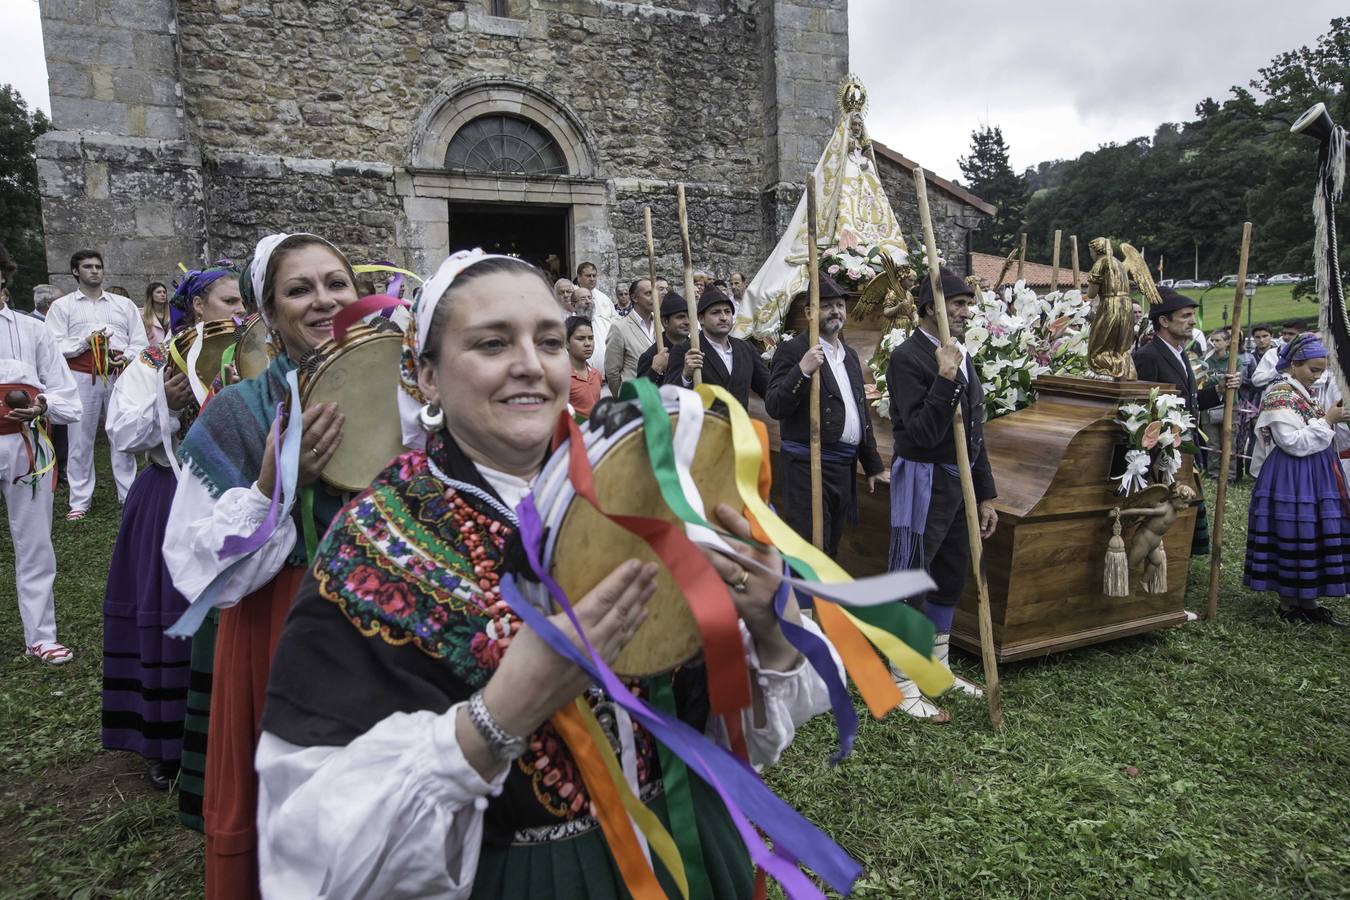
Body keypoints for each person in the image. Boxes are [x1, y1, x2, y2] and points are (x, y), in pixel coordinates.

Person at [255, 249, 834, 897]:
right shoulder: (377, 540)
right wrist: (501, 713)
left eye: (550, 340)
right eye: (492, 342)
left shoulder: (648, 483)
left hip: (692, 854)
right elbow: (308, 844)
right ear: (426, 376)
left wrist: (770, 624)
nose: (530, 363)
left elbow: (731, 725)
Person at [164, 233, 357, 898]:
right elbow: (193, 564)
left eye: (336, 283)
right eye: (299, 289)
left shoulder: (403, 398)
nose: (323, 300)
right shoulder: (237, 413)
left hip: (388, 634)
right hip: (284, 632)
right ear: (267, 314)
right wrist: (275, 487)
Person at [102, 264, 245, 794]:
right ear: (199, 306)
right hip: (169, 497)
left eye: (243, 301)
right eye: (228, 301)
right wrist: (169, 400)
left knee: (233, 615)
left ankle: (232, 731)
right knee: (173, 615)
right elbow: (122, 433)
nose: (238, 310)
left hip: (239, 498)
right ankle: (168, 743)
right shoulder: (156, 362)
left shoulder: (255, 352)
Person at [885, 266, 997, 718]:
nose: (965, 311)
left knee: (950, 573)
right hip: (924, 478)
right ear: (932, 307)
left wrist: (986, 494)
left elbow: (974, 432)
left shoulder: (963, 355)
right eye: (957, 303)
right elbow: (923, 432)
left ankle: (937, 668)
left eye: (968, 303)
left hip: (960, 481)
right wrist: (944, 377)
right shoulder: (908, 358)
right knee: (914, 574)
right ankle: (902, 677)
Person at [0, 244, 81, 664]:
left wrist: (43, 405)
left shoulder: (34, 331)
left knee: (33, 543)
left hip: (25, 443)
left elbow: (70, 400)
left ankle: (41, 635)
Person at [765, 273, 886, 556]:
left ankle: (824, 601)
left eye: (840, 305)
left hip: (843, 469)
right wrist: (803, 370)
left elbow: (860, 412)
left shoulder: (851, 356)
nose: (835, 311)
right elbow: (774, 405)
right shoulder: (793, 350)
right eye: (826, 305)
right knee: (809, 547)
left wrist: (872, 464)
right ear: (809, 311)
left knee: (831, 544)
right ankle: (804, 601)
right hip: (808, 466)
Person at [1244, 333, 1349, 626]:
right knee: (1295, 529)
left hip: (1314, 472)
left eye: (1321, 370)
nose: (1317, 376)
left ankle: (1309, 600)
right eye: (1313, 370)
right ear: (1293, 365)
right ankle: (1289, 603)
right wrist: (1327, 420)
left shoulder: (1303, 392)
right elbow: (1291, 441)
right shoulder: (1280, 393)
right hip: (1291, 474)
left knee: (1312, 530)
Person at [1132, 288, 1240, 554]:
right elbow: (1142, 409)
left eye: (1193, 316)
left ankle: (1178, 558)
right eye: (1186, 316)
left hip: (1184, 451)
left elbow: (1187, 404)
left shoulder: (1180, 353)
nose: (1193, 321)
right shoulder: (1147, 355)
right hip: (1160, 456)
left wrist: (1217, 391)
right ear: (1164, 321)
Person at [45, 249, 148, 520]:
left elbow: (140, 343)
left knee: (122, 434)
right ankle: (79, 501)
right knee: (80, 438)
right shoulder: (63, 306)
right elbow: (53, 345)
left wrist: (123, 356)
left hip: (119, 373)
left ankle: (129, 495)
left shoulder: (123, 305)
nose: (95, 271)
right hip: (82, 374)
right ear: (76, 271)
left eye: (98, 266)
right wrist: (84, 342)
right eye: (88, 266)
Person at [664, 285, 768, 408]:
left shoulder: (745, 348)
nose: (724, 317)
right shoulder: (686, 350)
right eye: (716, 312)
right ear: (701, 319)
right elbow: (670, 399)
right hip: (704, 424)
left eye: (727, 312)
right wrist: (686, 375)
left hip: (739, 425)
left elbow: (768, 388)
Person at [603, 277, 654, 395]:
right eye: (648, 293)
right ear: (634, 298)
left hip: (658, 394)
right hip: (634, 396)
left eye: (654, 293)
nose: (653, 297)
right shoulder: (620, 328)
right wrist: (622, 395)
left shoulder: (660, 325)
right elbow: (612, 371)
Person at [634, 290, 690, 383]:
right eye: (680, 317)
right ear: (665, 322)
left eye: (689, 317)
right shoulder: (651, 356)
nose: (687, 322)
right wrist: (655, 370)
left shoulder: (697, 349)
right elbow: (642, 393)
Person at [564, 314, 602, 418]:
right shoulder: (562, 378)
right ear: (567, 343)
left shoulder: (596, 374)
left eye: (590, 338)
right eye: (580, 339)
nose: (588, 343)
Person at [1252, 320, 1303, 390]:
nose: (1286, 337)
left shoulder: (1311, 354)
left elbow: (1320, 380)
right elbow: (1256, 380)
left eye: (1291, 334)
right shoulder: (1271, 354)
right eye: (1284, 333)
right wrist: (1276, 371)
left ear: (1301, 335)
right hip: (1272, 398)